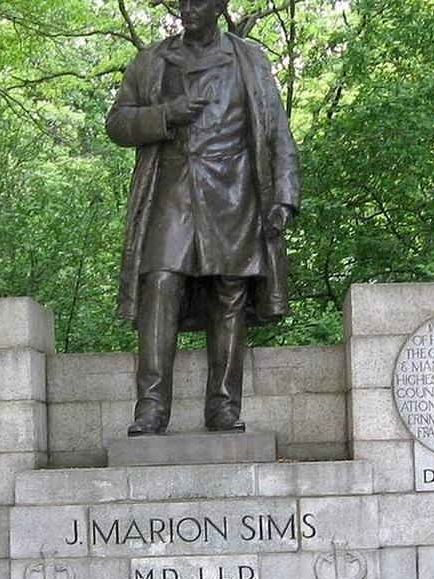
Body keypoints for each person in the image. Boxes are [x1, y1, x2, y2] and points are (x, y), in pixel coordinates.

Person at [106, 0, 299, 436]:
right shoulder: (152, 60)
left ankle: (224, 408)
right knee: (159, 282)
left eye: (198, 1)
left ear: (219, 5)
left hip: (234, 192)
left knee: (229, 292)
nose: (187, 9)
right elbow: (116, 123)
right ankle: (151, 407)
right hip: (171, 191)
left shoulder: (249, 58)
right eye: (182, 1)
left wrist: (285, 196)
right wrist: (164, 115)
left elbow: (276, 132)